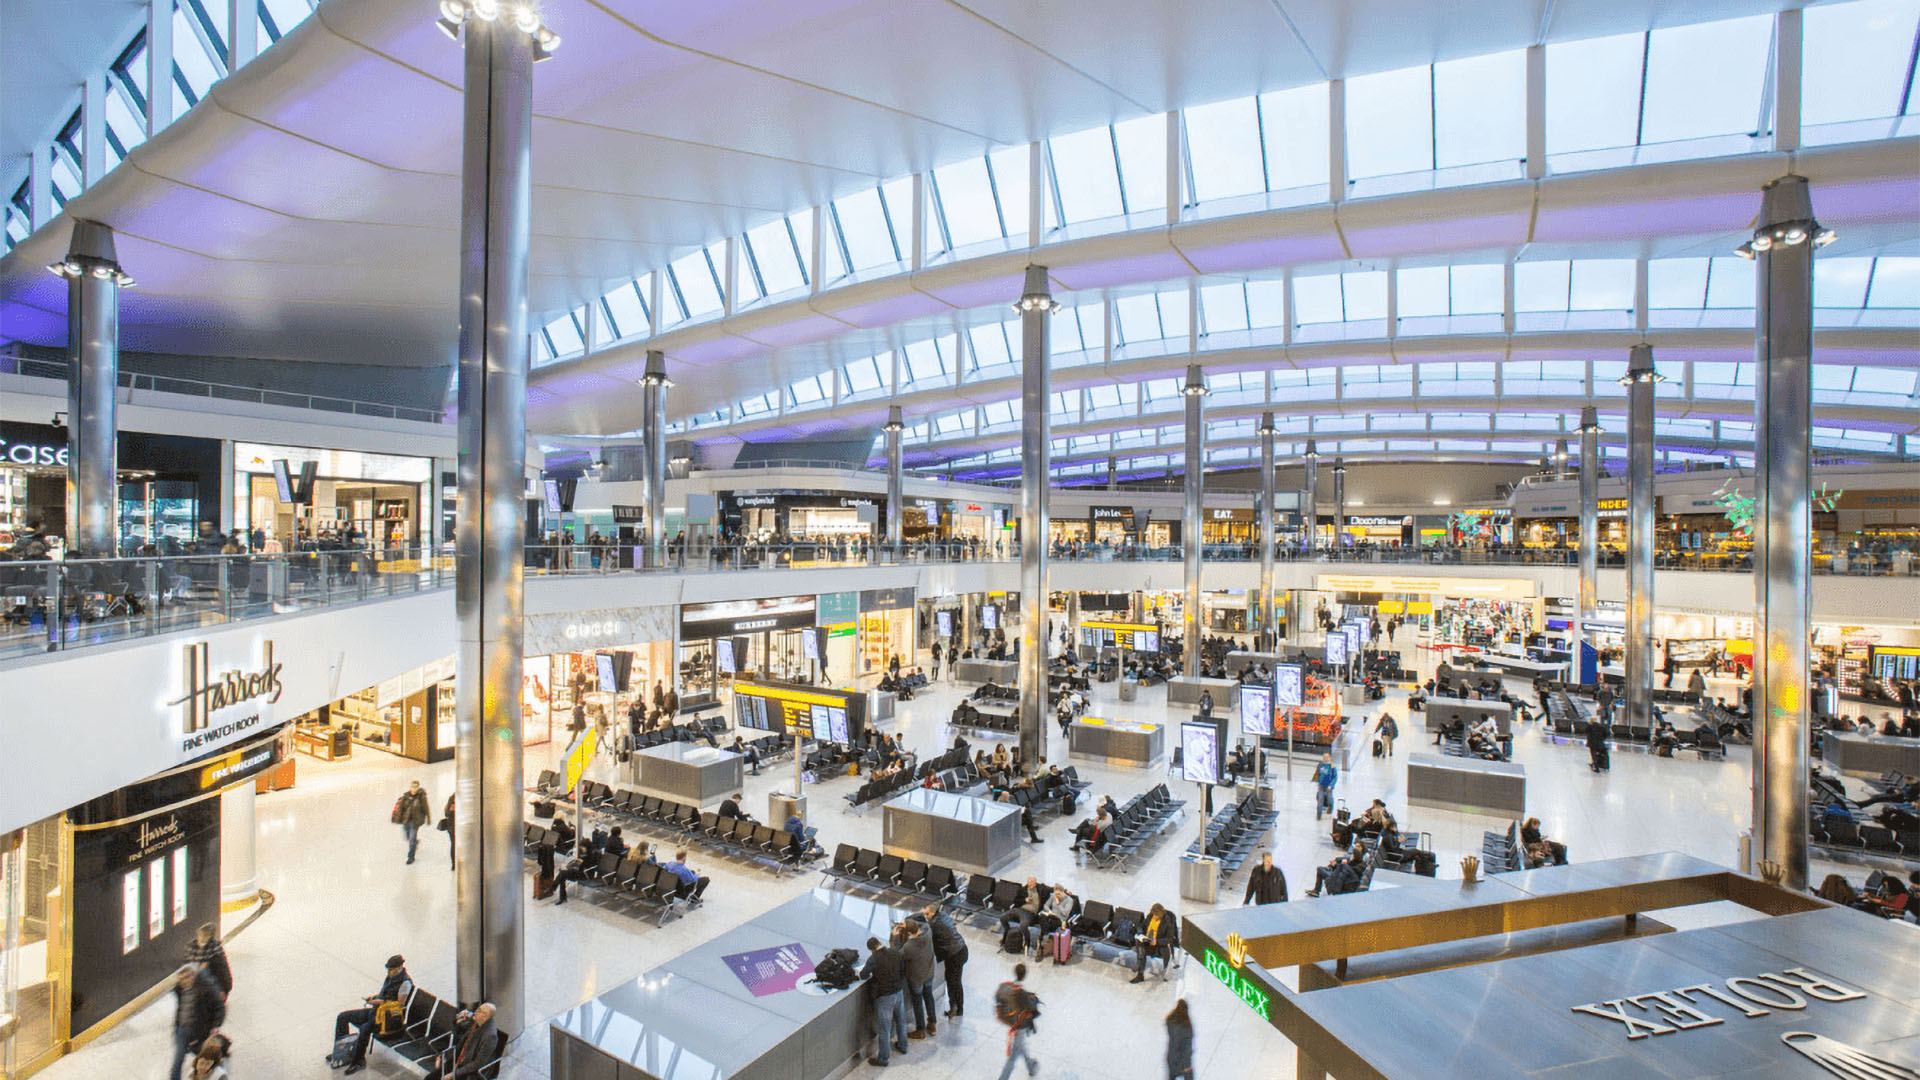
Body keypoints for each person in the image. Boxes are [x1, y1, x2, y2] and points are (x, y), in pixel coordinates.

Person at [330, 954, 412, 1075]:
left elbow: (399, 1005)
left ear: (400, 967)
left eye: (391, 969)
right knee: (343, 1017)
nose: (388, 972)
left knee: (364, 1029)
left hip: (388, 1018)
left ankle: (359, 1061)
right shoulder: (390, 977)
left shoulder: (405, 983)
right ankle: (342, 1051)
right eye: (388, 969)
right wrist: (374, 997)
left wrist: (380, 1002)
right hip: (376, 1011)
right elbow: (384, 994)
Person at [860, 935, 911, 1066]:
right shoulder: (895, 952)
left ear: (871, 950)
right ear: (880, 943)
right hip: (899, 991)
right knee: (901, 1020)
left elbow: (863, 975)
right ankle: (903, 1046)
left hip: (885, 996)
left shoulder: (873, 959)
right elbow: (902, 969)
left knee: (884, 1028)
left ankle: (883, 1058)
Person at [170, 964, 225, 1080]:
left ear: (193, 976)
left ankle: (219, 1073)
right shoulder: (180, 990)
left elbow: (219, 1006)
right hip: (182, 1029)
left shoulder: (205, 988)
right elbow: (180, 1009)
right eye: (181, 979)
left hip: (199, 1030)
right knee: (178, 1059)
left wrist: (215, 1026)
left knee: (207, 1056)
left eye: (187, 977)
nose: (185, 981)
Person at [424, 1001, 497, 1080]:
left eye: (479, 1010)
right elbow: (458, 1033)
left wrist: (454, 1074)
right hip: (458, 1059)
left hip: (468, 1070)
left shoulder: (490, 1036)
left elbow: (477, 1063)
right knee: (430, 1078)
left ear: (484, 1016)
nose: (475, 1011)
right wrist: (458, 1019)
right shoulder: (476, 1019)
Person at [993, 963, 1040, 1080]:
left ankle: (1031, 1066)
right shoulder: (1021, 993)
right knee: (1014, 1054)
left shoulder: (1007, 986)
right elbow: (1030, 1007)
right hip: (1020, 1025)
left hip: (1012, 1021)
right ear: (1024, 976)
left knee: (1020, 1046)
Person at [923, 902, 969, 1017]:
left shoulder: (934, 924)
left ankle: (955, 1007)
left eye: (927, 914)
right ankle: (958, 1007)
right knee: (956, 981)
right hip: (962, 949)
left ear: (933, 913)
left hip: (954, 955)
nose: (925, 916)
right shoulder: (943, 915)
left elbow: (927, 937)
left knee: (952, 982)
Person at [899, 919, 938, 1039]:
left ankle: (920, 1030)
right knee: (929, 996)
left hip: (916, 978)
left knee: (917, 1002)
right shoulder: (927, 932)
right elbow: (923, 923)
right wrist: (909, 924)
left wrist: (895, 938)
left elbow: (897, 955)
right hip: (929, 973)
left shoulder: (909, 946)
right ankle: (932, 1023)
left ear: (907, 933)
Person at [1130, 902, 1175, 983]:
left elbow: (1170, 939)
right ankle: (1140, 974)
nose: (1154, 916)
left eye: (1156, 915)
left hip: (1159, 946)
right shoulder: (1150, 916)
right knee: (1139, 944)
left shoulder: (1168, 921)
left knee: (1141, 950)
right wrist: (1140, 932)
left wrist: (1157, 941)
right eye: (1153, 914)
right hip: (1147, 941)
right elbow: (1141, 925)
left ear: (1161, 914)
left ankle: (1139, 969)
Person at [188, 923, 232, 1000]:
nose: (202, 938)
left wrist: (206, 963)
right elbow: (189, 962)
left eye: (205, 936)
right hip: (197, 974)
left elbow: (221, 966)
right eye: (201, 935)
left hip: (213, 978)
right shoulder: (192, 945)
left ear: (210, 937)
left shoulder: (215, 946)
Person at [395, 779, 431, 864]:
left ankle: (411, 857)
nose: (414, 788)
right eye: (412, 787)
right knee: (406, 836)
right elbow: (400, 808)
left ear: (418, 787)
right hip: (406, 820)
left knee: (411, 839)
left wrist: (428, 818)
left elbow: (426, 808)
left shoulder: (421, 797)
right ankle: (416, 842)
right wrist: (398, 818)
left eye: (416, 787)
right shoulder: (406, 796)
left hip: (415, 821)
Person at [1165, 998, 1195, 1080]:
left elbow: (1168, 1019)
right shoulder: (1187, 1027)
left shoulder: (1171, 1022)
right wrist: (1187, 1065)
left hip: (1171, 1058)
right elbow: (1187, 1047)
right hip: (1183, 1061)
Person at [1313, 754, 1337, 821]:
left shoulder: (1332, 766)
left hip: (1328, 787)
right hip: (1321, 786)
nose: (1325, 758)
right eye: (1324, 757)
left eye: (1327, 757)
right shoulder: (1321, 765)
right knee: (1320, 800)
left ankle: (1330, 808)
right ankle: (1319, 814)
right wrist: (1317, 780)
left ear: (1329, 758)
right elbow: (1318, 773)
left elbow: (1335, 777)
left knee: (1329, 799)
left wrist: (1331, 785)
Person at [439, 793, 457, 870]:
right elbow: (446, 813)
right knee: (453, 844)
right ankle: (453, 863)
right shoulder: (452, 799)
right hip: (452, 827)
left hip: (459, 826)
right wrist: (452, 810)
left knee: (455, 844)